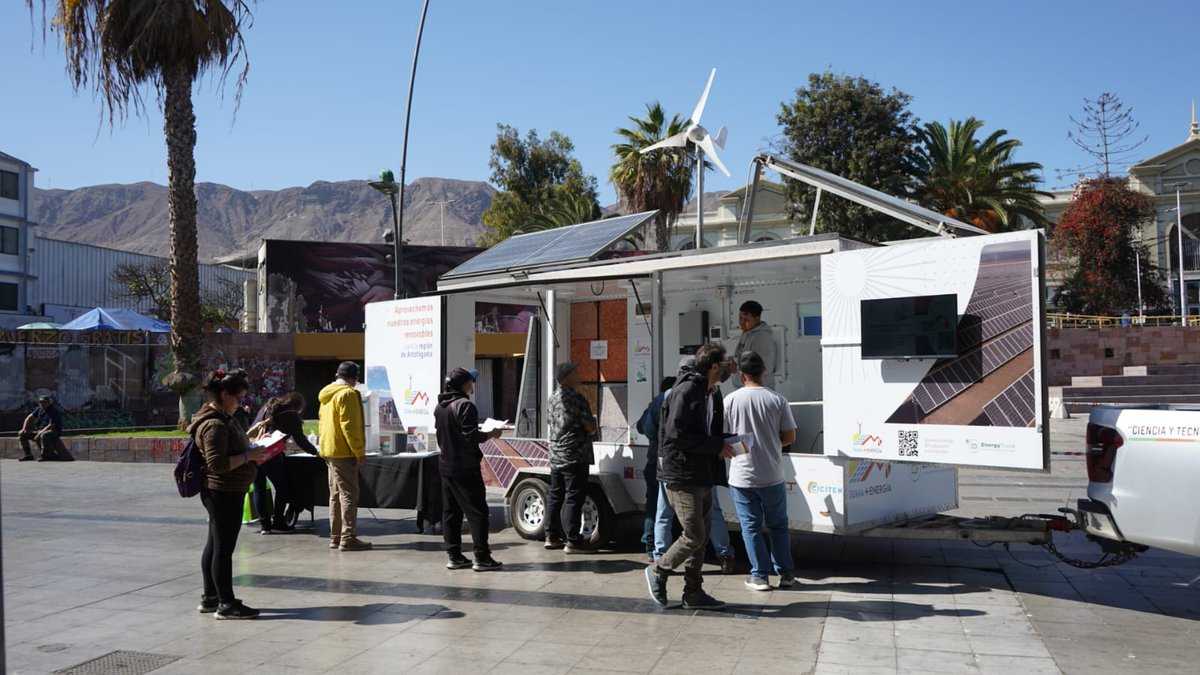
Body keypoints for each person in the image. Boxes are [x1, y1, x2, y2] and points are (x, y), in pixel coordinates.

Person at [645, 344, 735, 610]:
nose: (729, 368)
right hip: (681, 474)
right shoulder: (687, 390)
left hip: (702, 472)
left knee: (702, 537)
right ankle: (658, 570)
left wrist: (728, 442)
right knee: (694, 535)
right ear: (714, 366)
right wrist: (715, 446)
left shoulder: (712, 393)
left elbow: (707, 433)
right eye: (726, 363)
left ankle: (693, 591)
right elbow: (677, 434)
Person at [190, 368, 265, 619]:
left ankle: (210, 597)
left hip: (227, 490)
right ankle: (226, 604)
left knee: (215, 545)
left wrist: (251, 442)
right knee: (223, 549)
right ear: (224, 394)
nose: (240, 403)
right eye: (238, 398)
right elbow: (217, 464)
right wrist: (248, 456)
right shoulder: (214, 424)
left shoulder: (222, 418)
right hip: (223, 491)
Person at [724, 351, 798, 591]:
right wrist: (773, 443)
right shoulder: (777, 399)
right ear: (764, 371)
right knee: (778, 526)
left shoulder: (730, 400)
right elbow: (790, 436)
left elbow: (724, 438)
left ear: (742, 375)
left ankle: (759, 576)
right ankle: (786, 574)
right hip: (772, 474)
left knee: (750, 527)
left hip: (742, 476)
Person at [434, 367, 503, 571]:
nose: (472, 385)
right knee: (478, 513)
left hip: (446, 466)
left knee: (451, 513)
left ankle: (454, 556)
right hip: (465, 467)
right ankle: (482, 557)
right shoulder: (465, 405)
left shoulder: (440, 406)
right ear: (464, 385)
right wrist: (491, 434)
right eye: (470, 381)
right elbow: (471, 436)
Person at [318, 361, 372, 552]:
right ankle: (348, 537)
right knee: (349, 494)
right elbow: (349, 426)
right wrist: (359, 451)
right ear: (353, 377)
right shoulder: (347, 394)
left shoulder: (327, 394)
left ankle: (336, 536)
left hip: (329, 450)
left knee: (335, 495)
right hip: (343, 451)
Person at [545, 362, 597, 554]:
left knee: (555, 495)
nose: (579, 374)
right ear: (567, 377)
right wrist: (593, 429)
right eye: (576, 372)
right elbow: (590, 426)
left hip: (556, 454)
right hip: (575, 455)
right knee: (574, 497)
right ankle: (573, 541)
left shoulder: (552, 398)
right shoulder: (576, 398)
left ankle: (551, 536)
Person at [250, 392, 319, 534]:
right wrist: (316, 452)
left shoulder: (267, 407)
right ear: (299, 407)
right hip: (272, 454)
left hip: (255, 451)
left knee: (259, 489)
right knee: (282, 488)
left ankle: (265, 525)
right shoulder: (291, 415)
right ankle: (279, 522)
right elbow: (300, 440)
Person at [635, 375, 675, 563]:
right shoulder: (673, 403)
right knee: (665, 508)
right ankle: (659, 547)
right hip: (666, 462)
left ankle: (651, 546)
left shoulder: (654, 406)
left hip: (652, 461)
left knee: (653, 506)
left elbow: (640, 427)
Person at [733, 300, 777, 389]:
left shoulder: (761, 337)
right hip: (746, 388)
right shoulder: (746, 334)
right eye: (740, 318)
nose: (742, 322)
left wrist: (736, 367)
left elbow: (763, 368)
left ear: (757, 318)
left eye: (746, 319)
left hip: (759, 390)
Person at [18, 396, 70, 462]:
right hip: (40, 430)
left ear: (48, 403)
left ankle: (45, 456)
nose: (42, 404)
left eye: (44, 402)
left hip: (54, 431)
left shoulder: (53, 411)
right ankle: (28, 455)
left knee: (44, 434)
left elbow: (51, 425)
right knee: (22, 434)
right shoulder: (39, 409)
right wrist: (24, 429)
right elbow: (29, 418)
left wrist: (39, 434)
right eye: (40, 402)